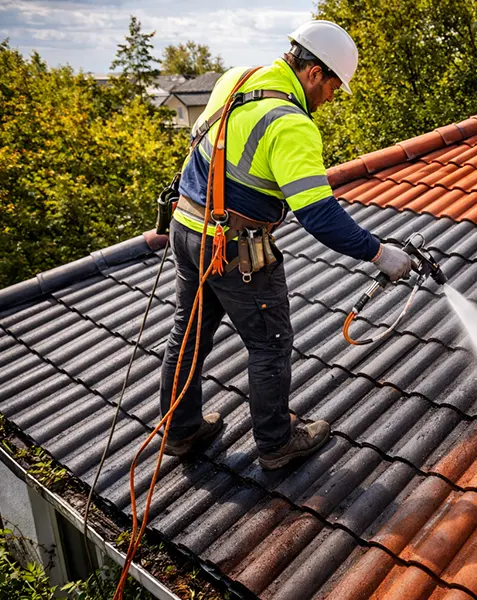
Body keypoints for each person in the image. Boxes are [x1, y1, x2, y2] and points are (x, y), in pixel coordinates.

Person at [159, 20, 412, 469]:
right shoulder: (289, 124)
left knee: (189, 332)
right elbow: (318, 214)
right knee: (271, 344)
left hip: (186, 230)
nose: (332, 98)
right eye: (333, 86)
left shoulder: (236, 78)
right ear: (314, 73)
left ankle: (180, 432)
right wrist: (379, 252)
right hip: (234, 249)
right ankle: (276, 445)